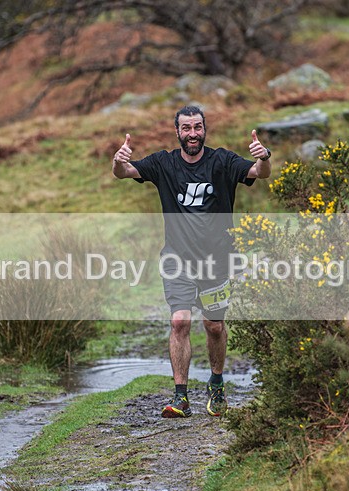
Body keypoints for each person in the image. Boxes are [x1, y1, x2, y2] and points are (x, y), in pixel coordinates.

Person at [112, 105, 272, 418]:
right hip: (177, 259)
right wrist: (119, 162)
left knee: (213, 326)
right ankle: (181, 397)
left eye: (197, 127)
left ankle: (216, 384)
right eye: (186, 128)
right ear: (178, 132)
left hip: (217, 260)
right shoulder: (163, 163)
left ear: (204, 129)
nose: (193, 134)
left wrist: (263, 157)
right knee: (179, 321)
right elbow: (125, 173)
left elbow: (257, 173)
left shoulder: (223, 161)